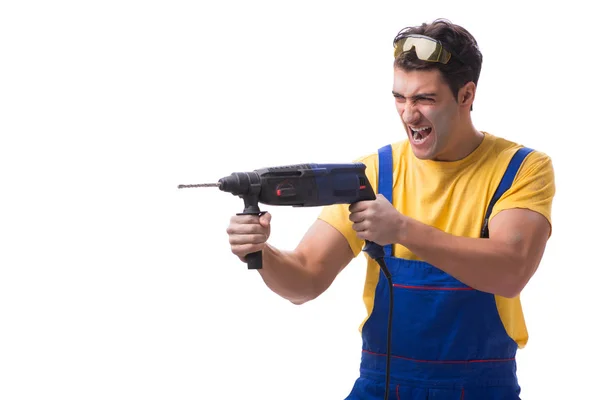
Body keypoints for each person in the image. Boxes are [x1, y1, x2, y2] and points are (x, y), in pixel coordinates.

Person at [226, 18, 555, 399]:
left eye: (425, 99)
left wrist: (401, 230)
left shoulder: (520, 168)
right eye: (400, 97)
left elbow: (510, 271)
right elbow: (305, 280)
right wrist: (261, 252)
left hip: (479, 388)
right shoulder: (374, 172)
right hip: (381, 385)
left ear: (466, 96)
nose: (409, 114)